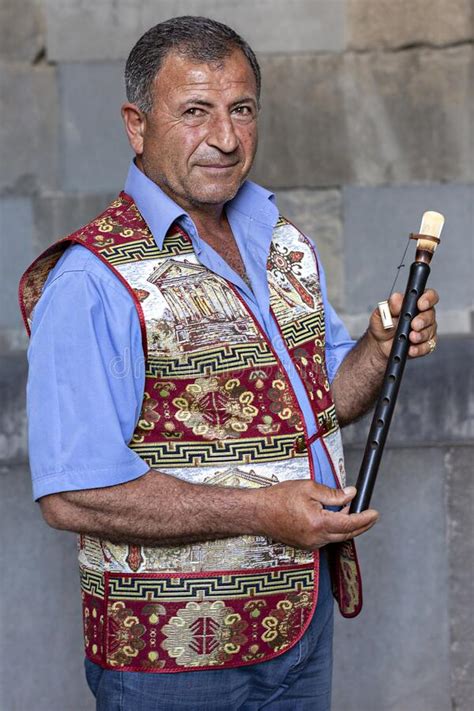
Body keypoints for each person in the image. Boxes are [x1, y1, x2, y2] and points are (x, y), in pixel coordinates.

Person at [19, 16, 439, 711]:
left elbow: (322, 396)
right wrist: (262, 511)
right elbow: (73, 494)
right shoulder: (92, 278)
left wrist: (378, 347)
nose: (224, 137)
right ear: (136, 124)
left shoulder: (286, 245)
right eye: (194, 112)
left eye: (241, 109)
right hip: (172, 662)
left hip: (301, 626)